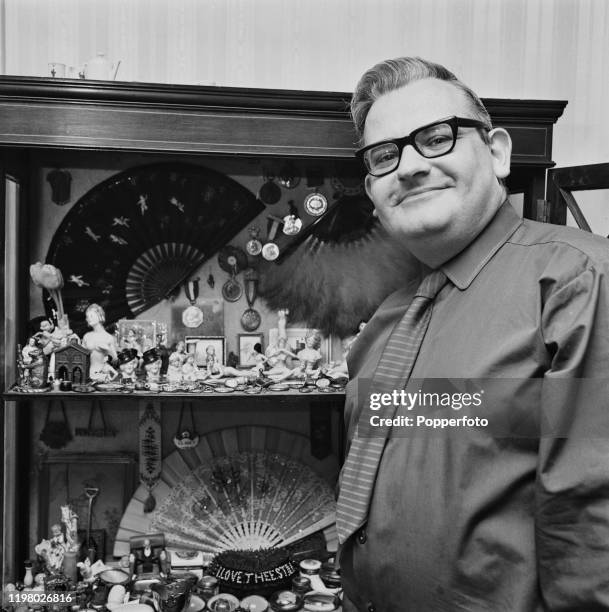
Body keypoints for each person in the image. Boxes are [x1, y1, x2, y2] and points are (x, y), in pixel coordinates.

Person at [336, 56, 609, 611]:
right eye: (384, 155)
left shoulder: (577, 282)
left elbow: (591, 536)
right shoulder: (383, 327)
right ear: (372, 190)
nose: (409, 166)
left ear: (499, 152)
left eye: (436, 137)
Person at [81, 304, 118, 381]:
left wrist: (107, 349)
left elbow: (115, 360)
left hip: (102, 375)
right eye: (87, 317)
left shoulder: (108, 337)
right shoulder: (87, 336)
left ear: (100, 316)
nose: (88, 319)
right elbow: (80, 357)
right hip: (87, 374)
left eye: (91, 316)